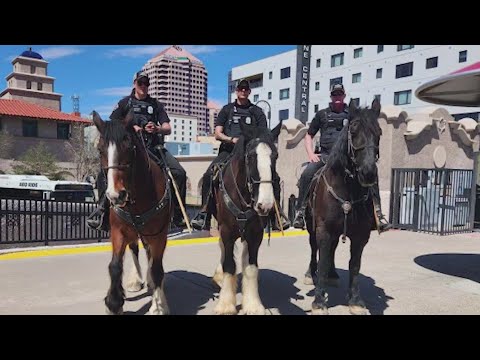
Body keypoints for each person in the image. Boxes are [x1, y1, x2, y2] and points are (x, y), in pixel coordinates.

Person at [86, 71, 187, 231]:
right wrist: (132, 128)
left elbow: (168, 128)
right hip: (130, 149)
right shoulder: (124, 103)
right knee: (102, 175)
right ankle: (102, 211)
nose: (144, 86)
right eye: (141, 83)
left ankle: (177, 215)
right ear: (135, 83)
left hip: (154, 147)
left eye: (146, 83)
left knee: (179, 172)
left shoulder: (155, 104)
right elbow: (113, 124)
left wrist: (157, 128)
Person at [190, 79, 290, 231]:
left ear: (249, 92)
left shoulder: (257, 112)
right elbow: (217, 133)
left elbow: (263, 134)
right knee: (209, 175)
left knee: (273, 177)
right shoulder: (227, 109)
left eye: (246, 89)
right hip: (229, 150)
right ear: (236, 91)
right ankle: (204, 213)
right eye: (240, 89)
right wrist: (232, 139)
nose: (243, 91)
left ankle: (276, 215)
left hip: (251, 153)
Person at [292, 83, 392, 233]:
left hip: (347, 158)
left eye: (340, 94)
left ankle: (378, 213)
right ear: (331, 96)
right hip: (325, 156)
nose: (337, 97)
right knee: (308, 173)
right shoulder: (322, 115)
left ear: (344, 96)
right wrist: (311, 154)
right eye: (334, 94)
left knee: (372, 171)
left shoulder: (350, 113)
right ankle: (301, 211)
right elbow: (309, 135)